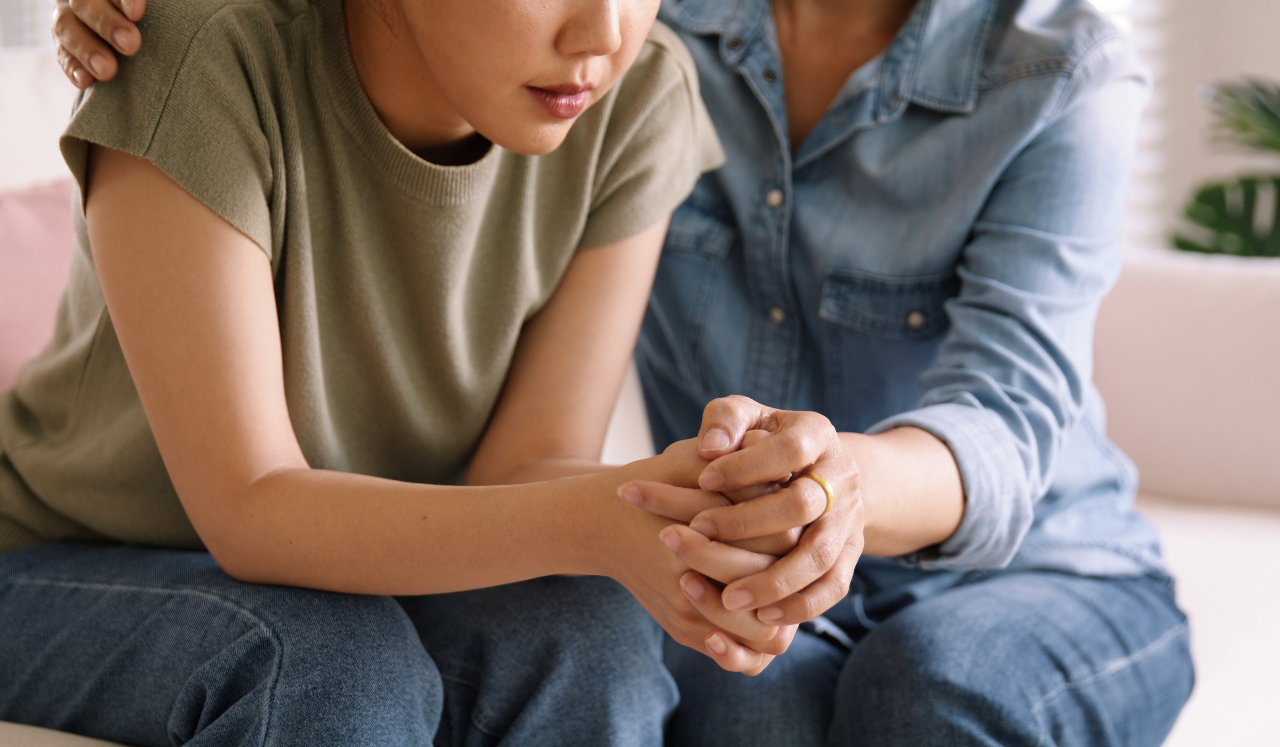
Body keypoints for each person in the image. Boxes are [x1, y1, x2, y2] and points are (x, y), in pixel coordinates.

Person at [52, 0, 1198, 745]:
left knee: (918, 691)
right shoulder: (659, 42)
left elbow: (1008, 415)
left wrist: (789, 494)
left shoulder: (1052, 69)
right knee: (692, 699)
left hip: (1023, 563)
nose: (598, 32)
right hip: (99, 552)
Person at [0, 0, 802, 744]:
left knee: (588, 633)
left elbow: (524, 467)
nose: (602, 34)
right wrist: (594, 520)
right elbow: (248, 508)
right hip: (63, 558)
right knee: (325, 663)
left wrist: (675, 501)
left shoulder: (638, 93)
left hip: (378, 572)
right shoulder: (207, 53)